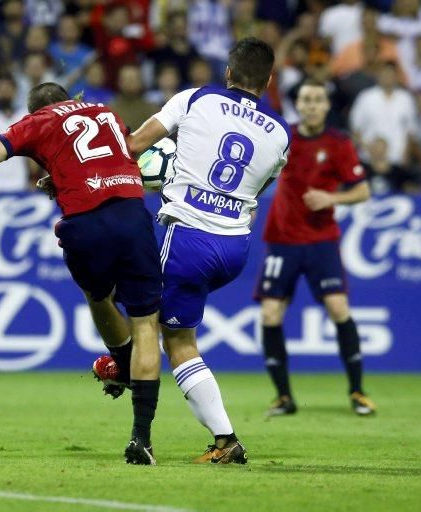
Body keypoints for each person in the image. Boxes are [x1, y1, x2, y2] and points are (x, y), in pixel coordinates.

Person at [0, 82, 163, 466]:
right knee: (145, 325)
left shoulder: (39, 121)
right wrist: (60, 175)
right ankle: (142, 438)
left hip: (85, 224)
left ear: (35, 108)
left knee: (98, 296)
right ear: (69, 98)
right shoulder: (106, 111)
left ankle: (121, 365)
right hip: (132, 215)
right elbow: (107, 159)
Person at [127, 37, 290, 464]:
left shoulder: (196, 98)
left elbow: (133, 146)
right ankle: (221, 439)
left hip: (188, 238)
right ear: (269, 80)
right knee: (174, 332)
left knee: (168, 335)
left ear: (229, 73)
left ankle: (223, 439)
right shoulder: (280, 132)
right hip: (235, 247)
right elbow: (258, 191)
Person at [254, 80, 375, 417]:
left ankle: (358, 392)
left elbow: (362, 191)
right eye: (305, 99)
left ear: (326, 105)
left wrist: (331, 197)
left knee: (338, 308)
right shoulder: (283, 136)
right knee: (270, 313)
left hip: (322, 240)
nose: (311, 105)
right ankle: (283, 397)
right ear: (299, 105)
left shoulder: (338, 143)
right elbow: (259, 172)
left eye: (317, 99)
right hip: (282, 239)